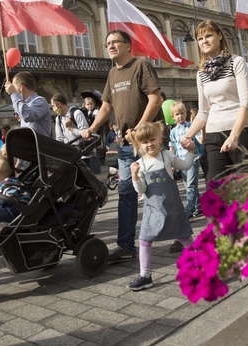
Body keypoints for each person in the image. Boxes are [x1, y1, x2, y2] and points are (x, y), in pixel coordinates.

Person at [81, 29, 166, 263]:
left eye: (115, 42)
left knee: (160, 191)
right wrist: (93, 127)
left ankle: (181, 235)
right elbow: (106, 107)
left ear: (128, 45)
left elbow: (155, 99)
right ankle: (126, 246)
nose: (110, 46)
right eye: (107, 42)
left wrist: (139, 129)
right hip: (126, 145)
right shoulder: (111, 74)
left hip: (149, 142)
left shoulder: (141, 66)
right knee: (126, 192)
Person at [181, 20, 248, 182]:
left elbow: (246, 101)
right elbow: (203, 112)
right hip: (213, 136)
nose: (205, 41)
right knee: (215, 191)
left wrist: (234, 136)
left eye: (209, 35)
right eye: (200, 39)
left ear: (220, 36)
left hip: (241, 133)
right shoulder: (201, 73)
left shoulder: (236, 62)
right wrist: (188, 136)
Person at [128, 122, 194, 290]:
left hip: (172, 207)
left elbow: (185, 165)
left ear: (158, 139)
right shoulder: (140, 164)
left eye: (152, 139)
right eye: (145, 141)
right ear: (139, 145)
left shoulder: (167, 156)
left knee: (183, 236)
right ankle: (145, 275)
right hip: (153, 210)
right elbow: (142, 190)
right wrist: (135, 176)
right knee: (144, 240)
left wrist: (191, 152)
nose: (149, 144)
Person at [170, 102, 202, 219]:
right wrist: (172, 162)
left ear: (186, 113)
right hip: (181, 161)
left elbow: (199, 139)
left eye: (182, 113)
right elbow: (172, 147)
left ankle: (189, 210)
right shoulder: (173, 131)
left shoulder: (191, 127)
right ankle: (199, 206)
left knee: (191, 185)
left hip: (192, 159)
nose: (180, 116)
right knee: (188, 185)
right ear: (173, 116)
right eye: (177, 114)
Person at [5, 71, 51, 138]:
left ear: (20, 87)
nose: (13, 89)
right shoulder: (23, 104)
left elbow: (27, 115)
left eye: (14, 87)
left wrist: (14, 94)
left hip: (39, 146)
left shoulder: (40, 101)